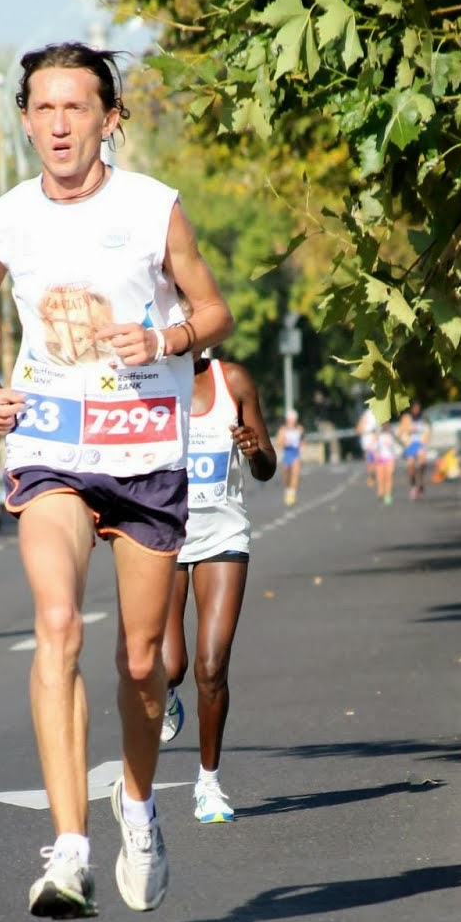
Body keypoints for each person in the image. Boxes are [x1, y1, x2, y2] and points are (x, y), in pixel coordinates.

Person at [0, 39, 234, 920]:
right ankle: (69, 848)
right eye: (43, 107)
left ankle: (140, 809)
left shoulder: (153, 209)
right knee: (55, 624)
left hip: (145, 452)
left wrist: (162, 341)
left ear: (108, 119)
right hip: (48, 447)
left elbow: (213, 308)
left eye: (76, 106)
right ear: (26, 120)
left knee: (143, 660)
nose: (59, 123)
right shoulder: (5, 218)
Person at [159, 352, 276, 822]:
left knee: (212, 666)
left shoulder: (234, 381)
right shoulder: (146, 382)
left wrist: (253, 450)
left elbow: (266, 465)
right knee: (171, 665)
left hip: (224, 536)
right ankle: (167, 691)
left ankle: (208, 783)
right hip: (164, 538)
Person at [397, 400, 432, 498]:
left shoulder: (424, 418)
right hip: (410, 443)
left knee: (422, 463)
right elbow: (400, 431)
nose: (416, 410)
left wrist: (425, 441)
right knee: (411, 465)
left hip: (420, 443)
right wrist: (408, 430)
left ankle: (420, 482)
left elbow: (428, 431)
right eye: (414, 408)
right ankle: (413, 484)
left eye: (418, 408)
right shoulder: (406, 418)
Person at [275, 408, 304, 506]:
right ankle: (287, 490)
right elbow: (279, 443)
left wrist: (302, 445)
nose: (292, 421)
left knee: (295, 472)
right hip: (287, 453)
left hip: (295, 453)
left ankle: (292, 493)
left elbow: (303, 440)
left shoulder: (299, 429)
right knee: (287, 473)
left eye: (293, 419)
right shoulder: (283, 430)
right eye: (290, 419)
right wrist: (284, 442)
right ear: (287, 420)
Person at [355, 405, 379, 489]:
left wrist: (376, 435)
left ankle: (375, 476)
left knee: (376, 461)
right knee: (370, 462)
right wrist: (367, 431)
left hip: (376, 443)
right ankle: (371, 477)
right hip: (367, 443)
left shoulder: (380, 414)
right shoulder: (366, 415)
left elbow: (379, 430)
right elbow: (358, 430)